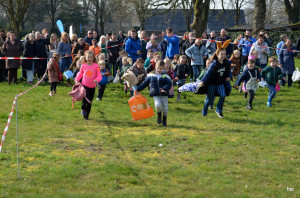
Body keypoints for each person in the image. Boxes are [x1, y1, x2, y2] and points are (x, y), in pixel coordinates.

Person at [198, 40, 232, 118]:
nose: (223, 56)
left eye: (224, 54)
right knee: (209, 99)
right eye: (221, 54)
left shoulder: (226, 63)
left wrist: (229, 77)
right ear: (217, 54)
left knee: (223, 95)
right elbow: (208, 74)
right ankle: (204, 110)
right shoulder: (214, 64)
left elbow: (229, 71)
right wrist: (203, 81)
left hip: (220, 83)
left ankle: (219, 110)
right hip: (212, 84)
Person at [137, 60, 172, 126]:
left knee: (165, 108)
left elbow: (169, 84)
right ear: (155, 67)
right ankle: (159, 115)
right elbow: (145, 83)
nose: (159, 70)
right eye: (158, 68)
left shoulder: (165, 75)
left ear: (163, 68)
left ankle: (164, 121)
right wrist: (137, 89)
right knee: (158, 105)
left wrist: (164, 89)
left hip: (164, 94)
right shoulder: (151, 75)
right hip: (155, 93)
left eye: (161, 68)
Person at [75, 50, 102, 120]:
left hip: (92, 86)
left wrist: (97, 80)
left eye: (91, 57)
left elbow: (99, 75)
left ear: (93, 58)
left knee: (90, 101)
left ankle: (87, 115)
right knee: (85, 99)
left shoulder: (96, 66)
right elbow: (80, 74)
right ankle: (83, 108)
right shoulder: (83, 65)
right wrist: (77, 79)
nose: (89, 58)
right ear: (85, 57)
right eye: (88, 57)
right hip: (84, 85)